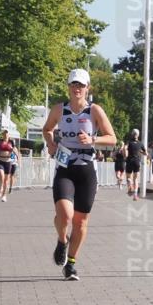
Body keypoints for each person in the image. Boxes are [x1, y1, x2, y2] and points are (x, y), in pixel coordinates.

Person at [42, 68, 116, 280]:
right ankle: (62, 240)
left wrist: (93, 140)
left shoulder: (95, 111)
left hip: (86, 169)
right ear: (68, 87)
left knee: (81, 221)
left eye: (81, 85)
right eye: (74, 84)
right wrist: (51, 143)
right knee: (65, 214)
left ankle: (71, 264)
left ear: (87, 88)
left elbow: (112, 138)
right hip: (65, 167)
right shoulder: (59, 110)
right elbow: (47, 129)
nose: (77, 88)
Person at [0, 130, 15, 201]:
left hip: (8, 162)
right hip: (1, 161)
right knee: (1, 175)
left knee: (6, 180)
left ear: (9, 135)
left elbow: (15, 150)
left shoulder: (11, 142)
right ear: (3, 135)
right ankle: (1, 189)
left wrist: (18, 157)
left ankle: (4, 195)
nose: (6, 135)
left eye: (7, 134)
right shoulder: (0, 141)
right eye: (4, 134)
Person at [125, 129, 145, 201]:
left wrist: (125, 155)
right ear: (138, 135)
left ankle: (130, 186)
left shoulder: (129, 142)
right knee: (136, 179)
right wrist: (141, 151)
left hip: (129, 160)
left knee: (128, 177)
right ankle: (135, 195)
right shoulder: (141, 143)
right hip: (137, 161)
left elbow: (125, 148)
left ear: (132, 134)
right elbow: (146, 153)